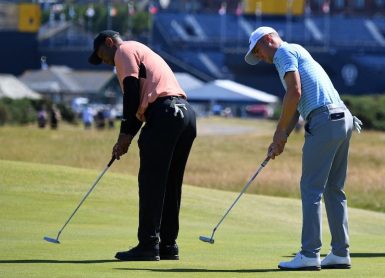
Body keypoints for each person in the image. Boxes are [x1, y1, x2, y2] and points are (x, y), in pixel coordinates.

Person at [244, 27, 362, 271]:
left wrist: (277, 133)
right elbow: (299, 101)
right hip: (343, 119)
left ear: (268, 40)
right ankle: (340, 252)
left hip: (325, 120)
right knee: (333, 188)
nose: (261, 57)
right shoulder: (296, 50)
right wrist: (282, 138)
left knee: (311, 188)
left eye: (259, 51)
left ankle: (309, 254)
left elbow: (294, 93)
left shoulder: (283, 53)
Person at [88, 30, 197, 261]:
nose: (106, 61)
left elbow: (132, 95)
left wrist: (125, 135)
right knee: (170, 183)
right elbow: (141, 104)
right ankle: (168, 245)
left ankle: (148, 245)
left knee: (151, 181)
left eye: (102, 55)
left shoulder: (123, 50)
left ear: (109, 43)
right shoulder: (143, 51)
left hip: (165, 112)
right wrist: (127, 136)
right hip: (186, 114)